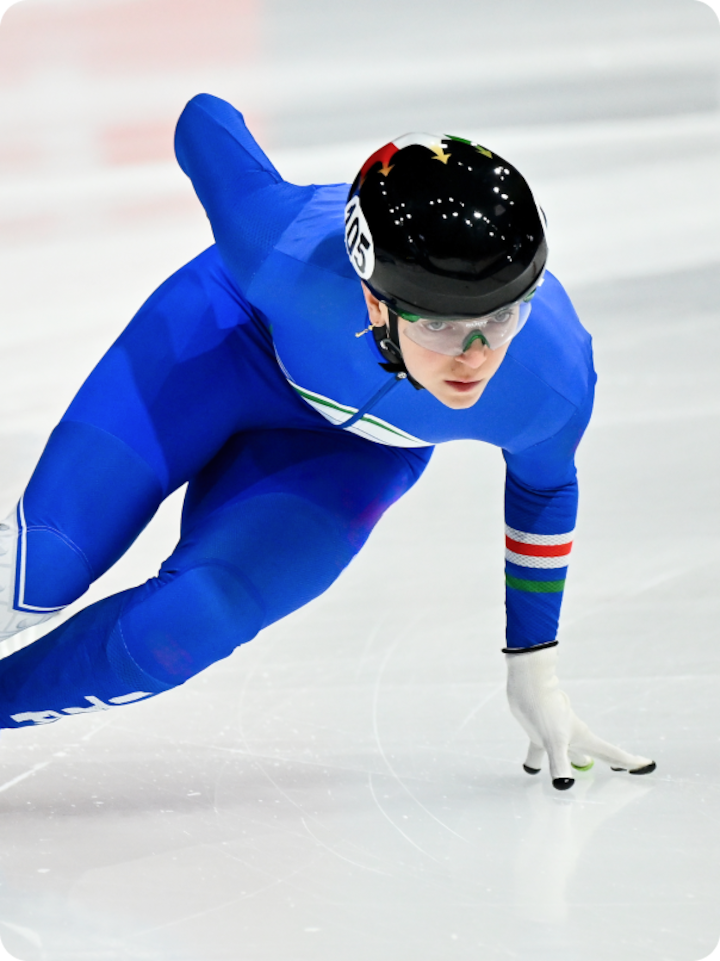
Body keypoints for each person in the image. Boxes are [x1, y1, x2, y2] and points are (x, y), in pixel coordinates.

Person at [0, 94, 655, 791]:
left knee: (192, 622)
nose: (475, 355)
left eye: (503, 317)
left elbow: (545, 487)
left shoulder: (549, 379)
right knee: (46, 564)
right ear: (374, 299)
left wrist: (534, 666)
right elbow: (205, 119)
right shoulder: (280, 250)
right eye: (438, 325)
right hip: (226, 340)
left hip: (354, 449)